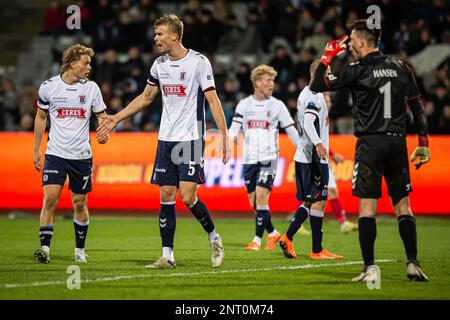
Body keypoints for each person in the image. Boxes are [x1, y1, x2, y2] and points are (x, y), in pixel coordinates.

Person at [96, 14, 228, 269]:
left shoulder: (199, 62)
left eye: (160, 34)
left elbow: (213, 100)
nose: (155, 38)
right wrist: (116, 119)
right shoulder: (159, 65)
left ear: (175, 36)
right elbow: (145, 98)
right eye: (155, 34)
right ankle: (167, 255)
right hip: (166, 138)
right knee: (166, 194)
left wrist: (224, 135)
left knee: (188, 197)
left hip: (190, 138)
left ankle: (214, 238)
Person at [310, 19, 430, 281]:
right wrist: (423, 143)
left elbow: (316, 85)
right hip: (397, 142)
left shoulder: (356, 69)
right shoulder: (401, 67)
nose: (349, 44)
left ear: (362, 41)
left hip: (370, 144)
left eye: (352, 39)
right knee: (403, 205)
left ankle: (370, 269)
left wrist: (328, 55)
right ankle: (413, 263)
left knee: (367, 208)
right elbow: (417, 107)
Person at [33, 44, 108, 264]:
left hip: (82, 156)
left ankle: (79, 251)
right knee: (50, 199)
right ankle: (45, 248)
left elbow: (102, 117)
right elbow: (40, 117)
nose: (89, 67)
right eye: (86, 63)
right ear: (73, 63)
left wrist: (104, 133)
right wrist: (36, 149)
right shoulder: (49, 87)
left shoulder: (91, 88)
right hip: (55, 154)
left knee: (79, 202)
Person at [228, 64, 300, 251]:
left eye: (273, 81)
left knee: (261, 196)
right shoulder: (244, 104)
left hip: (269, 158)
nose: (272, 84)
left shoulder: (277, 106)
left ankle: (256, 241)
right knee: (255, 203)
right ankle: (273, 233)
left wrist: (302, 151)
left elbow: (291, 131)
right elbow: (234, 128)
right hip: (249, 159)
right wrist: (228, 143)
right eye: (268, 80)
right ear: (257, 82)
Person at [279, 59, 343, 260]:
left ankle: (292, 239)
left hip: (307, 157)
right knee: (318, 200)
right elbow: (308, 122)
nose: (330, 76)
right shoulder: (314, 96)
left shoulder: (309, 93)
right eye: (328, 72)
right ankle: (314, 249)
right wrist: (318, 144)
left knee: (314, 200)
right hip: (312, 158)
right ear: (319, 74)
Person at [327, 149, 358, 233]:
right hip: (318, 160)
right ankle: (297, 221)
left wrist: (331, 154)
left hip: (321, 159)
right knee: (314, 196)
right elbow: (317, 138)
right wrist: (332, 154)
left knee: (330, 193)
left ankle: (344, 223)